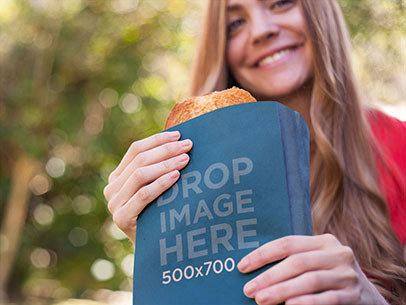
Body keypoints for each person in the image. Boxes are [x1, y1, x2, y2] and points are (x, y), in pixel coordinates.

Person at [103, 0, 406, 304]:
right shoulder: (195, 176)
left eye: (281, 3)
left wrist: (371, 300)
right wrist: (162, 250)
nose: (260, 31)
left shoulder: (399, 147)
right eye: (235, 24)